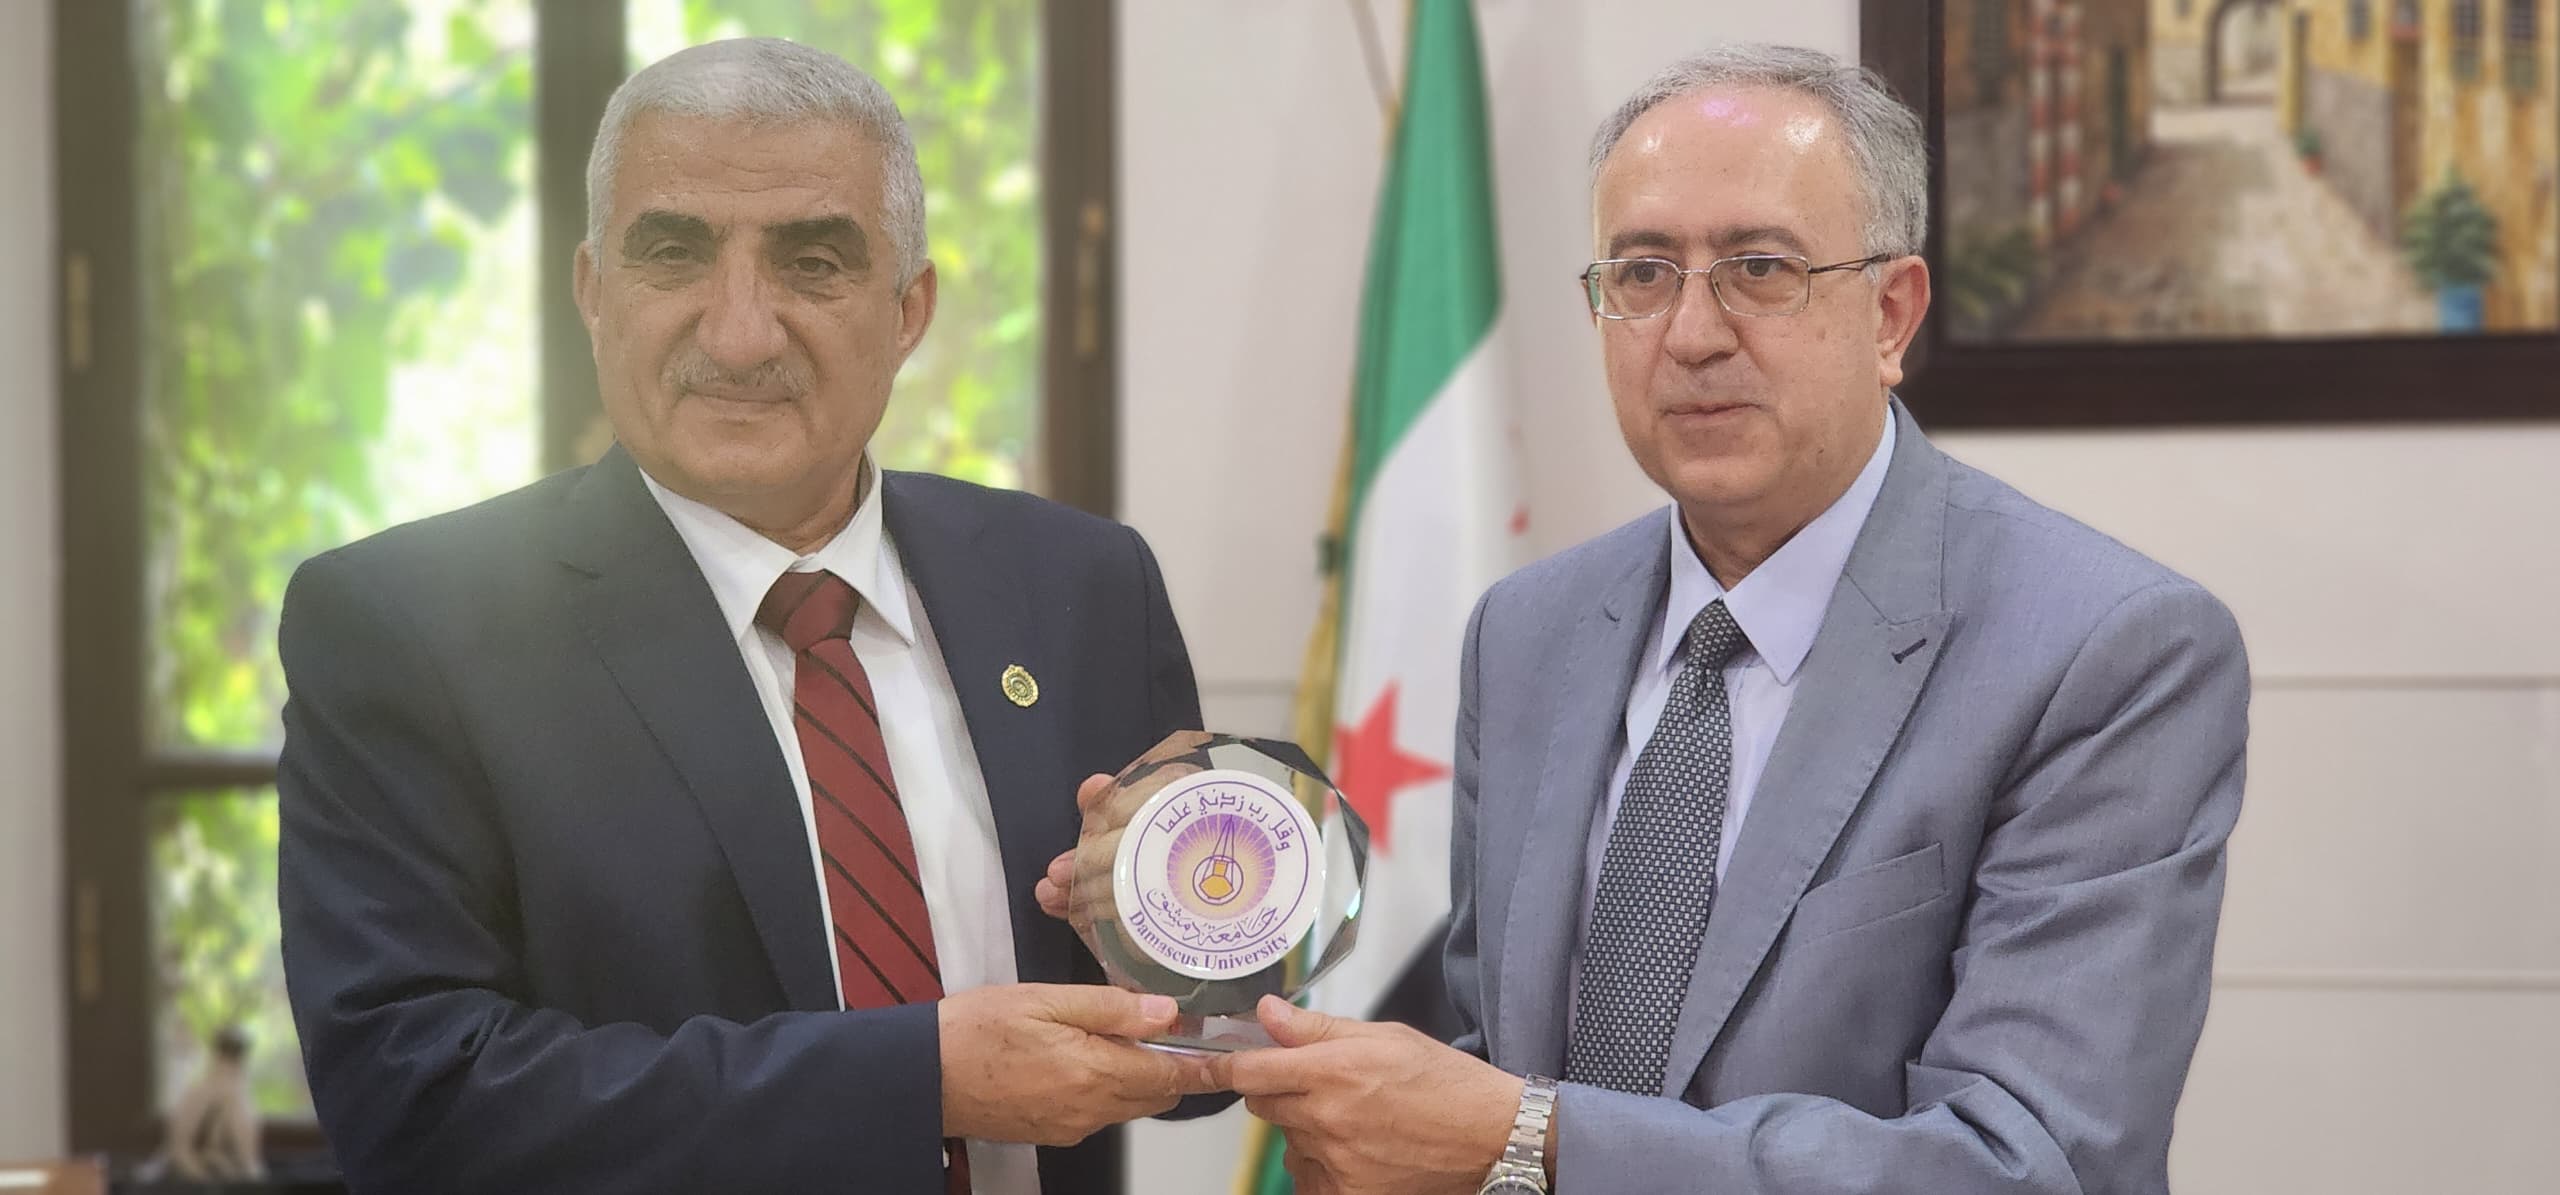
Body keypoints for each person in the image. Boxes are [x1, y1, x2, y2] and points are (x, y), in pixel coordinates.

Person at [1209, 44, 2250, 1195]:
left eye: (1760, 269)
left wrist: (1535, 1139)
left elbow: (2035, 1163)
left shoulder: (2106, 649)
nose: (1691, 333)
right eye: (1643, 273)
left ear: (1891, 314)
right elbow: (1483, 1064)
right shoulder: (1524, 634)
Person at [278, 38, 1214, 1195]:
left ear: (908, 311)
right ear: (592, 293)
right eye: (673, 254)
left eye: (811, 263)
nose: (737, 333)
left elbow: (1198, 1050)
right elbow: (413, 1103)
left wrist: (1246, 888)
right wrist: (918, 1077)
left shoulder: (1080, 582)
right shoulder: (403, 624)